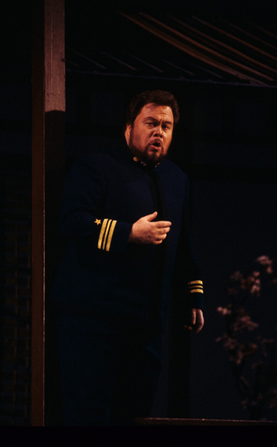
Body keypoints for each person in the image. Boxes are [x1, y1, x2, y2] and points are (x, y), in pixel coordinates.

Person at [51, 90, 204, 426]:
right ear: (129, 126)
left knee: (134, 416)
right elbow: (72, 222)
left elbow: (182, 243)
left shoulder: (177, 179)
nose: (159, 132)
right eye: (151, 123)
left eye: (166, 126)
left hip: (145, 325)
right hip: (92, 321)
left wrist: (192, 294)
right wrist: (128, 234)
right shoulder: (97, 167)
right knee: (88, 414)